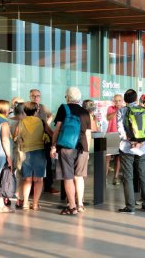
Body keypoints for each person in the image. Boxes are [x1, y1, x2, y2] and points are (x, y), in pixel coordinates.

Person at [50, 87, 91, 215]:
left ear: (67, 97)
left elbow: (57, 129)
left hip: (67, 147)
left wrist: (53, 145)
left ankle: (72, 206)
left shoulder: (64, 108)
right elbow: (88, 133)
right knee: (79, 177)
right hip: (82, 148)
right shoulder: (85, 111)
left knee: (68, 178)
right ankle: (80, 205)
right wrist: (87, 151)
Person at [117, 89, 145, 214]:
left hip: (127, 149)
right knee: (144, 176)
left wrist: (131, 141)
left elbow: (121, 131)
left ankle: (130, 207)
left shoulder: (122, 111)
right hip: (142, 149)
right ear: (137, 99)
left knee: (128, 177)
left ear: (125, 100)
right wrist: (140, 143)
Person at [15, 102, 52, 210]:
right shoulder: (41, 121)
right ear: (36, 111)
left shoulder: (21, 122)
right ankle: (35, 204)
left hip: (26, 153)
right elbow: (51, 133)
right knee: (38, 180)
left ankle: (26, 203)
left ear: (25, 111)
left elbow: (15, 136)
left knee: (27, 179)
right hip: (39, 152)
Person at [29, 89, 59, 194]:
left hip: (45, 139)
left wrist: (47, 123)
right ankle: (32, 187)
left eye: (38, 96)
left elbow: (50, 115)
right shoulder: (27, 107)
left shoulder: (42, 107)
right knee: (32, 164)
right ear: (30, 97)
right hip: (32, 140)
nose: (36, 98)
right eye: (33, 96)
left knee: (47, 162)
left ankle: (48, 186)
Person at [8, 102, 26, 208]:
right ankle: (20, 198)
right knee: (20, 175)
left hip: (10, 150)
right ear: (23, 112)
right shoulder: (23, 123)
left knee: (9, 173)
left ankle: (6, 195)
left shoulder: (9, 122)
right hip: (21, 151)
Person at [106, 94, 124, 185]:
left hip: (121, 136)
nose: (117, 102)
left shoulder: (125, 109)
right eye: (116, 101)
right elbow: (108, 118)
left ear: (122, 101)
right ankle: (104, 177)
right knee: (107, 157)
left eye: (119, 100)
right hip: (111, 134)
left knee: (118, 157)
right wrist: (117, 111)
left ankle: (115, 177)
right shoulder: (111, 108)